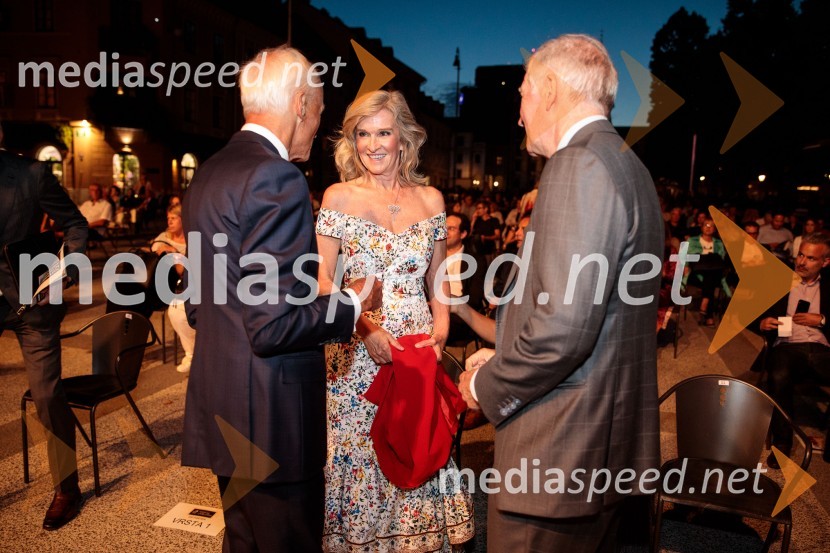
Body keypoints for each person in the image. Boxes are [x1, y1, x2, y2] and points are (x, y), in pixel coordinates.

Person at [459, 34, 663, 552]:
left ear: (549, 89)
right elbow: (595, 312)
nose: (520, 113)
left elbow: (564, 330)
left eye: (523, 93)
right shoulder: (625, 163)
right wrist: (506, 347)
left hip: (560, 450)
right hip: (600, 448)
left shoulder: (578, 165)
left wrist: (487, 388)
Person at [181, 46, 381, 553]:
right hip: (270, 418)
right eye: (318, 112)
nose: (317, 125)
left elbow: (201, 303)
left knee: (244, 540)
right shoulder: (277, 177)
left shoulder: (209, 171)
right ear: (298, 104)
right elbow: (272, 325)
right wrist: (353, 305)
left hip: (223, 403)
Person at [315, 89, 474, 551]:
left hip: (418, 346)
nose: (373, 144)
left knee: (414, 442)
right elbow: (323, 279)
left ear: (403, 137)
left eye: (383, 131)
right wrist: (365, 329)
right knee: (362, 448)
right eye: (363, 133)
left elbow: (439, 278)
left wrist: (441, 331)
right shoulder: (338, 196)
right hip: (357, 351)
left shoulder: (431, 200)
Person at [0, 121, 89, 529]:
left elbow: (75, 224)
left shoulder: (32, 174)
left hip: (32, 301)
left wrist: (63, 274)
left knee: (47, 394)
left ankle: (67, 487)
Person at [754, 233, 830, 466]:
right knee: (779, 376)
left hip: (822, 347)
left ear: (825, 262)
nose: (801, 262)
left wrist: (822, 320)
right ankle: (782, 442)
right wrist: (761, 322)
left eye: (810, 258)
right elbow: (748, 309)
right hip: (788, 346)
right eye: (800, 255)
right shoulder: (780, 279)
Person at [150, 205, 193, 373]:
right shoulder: (163, 237)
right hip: (162, 285)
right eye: (168, 218)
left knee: (179, 310)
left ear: (183, 220)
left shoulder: (192, 239)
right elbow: (153, 250)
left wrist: (174, 252)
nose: (169, 222)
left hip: (183, 284)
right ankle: (191, 353)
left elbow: (183, 271)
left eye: (173, 218)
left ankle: (192, 353)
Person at [682, 216, 730, 326]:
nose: (708, 228)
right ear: (701, 227)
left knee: (711, 275)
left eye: (711, 226)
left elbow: (721, 260)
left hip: (714, 272)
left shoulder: (718, 243)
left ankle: (705, 304)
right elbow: (685, 257)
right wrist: (685, 267)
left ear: (715, 229)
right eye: (706, 225)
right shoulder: (692, 240)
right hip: (696, 273)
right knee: (711, 280)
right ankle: (708, 315)